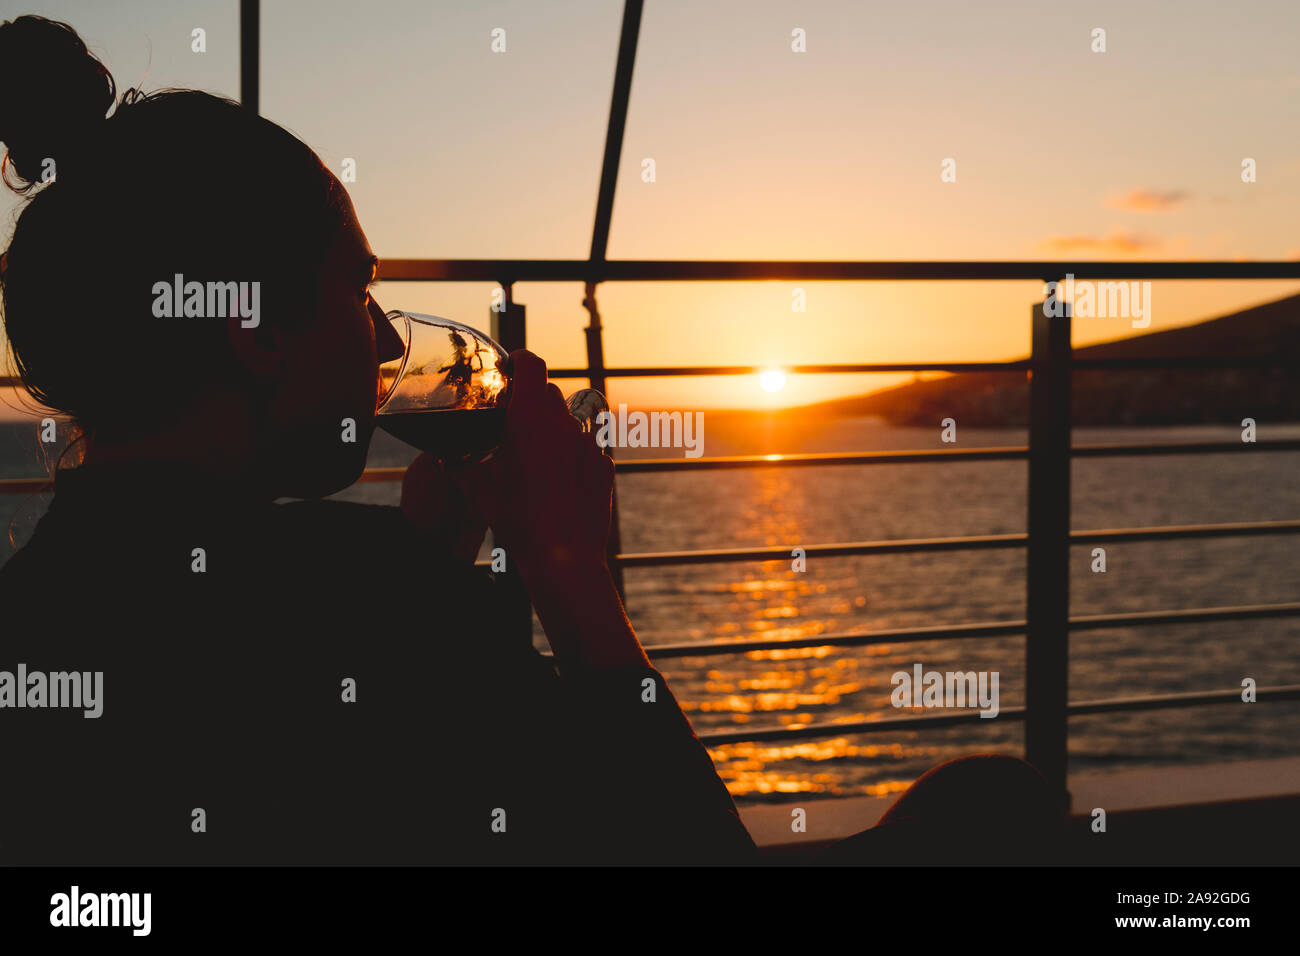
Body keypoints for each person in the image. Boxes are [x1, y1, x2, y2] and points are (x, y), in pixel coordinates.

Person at [0, 14, 756, 865]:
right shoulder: (384, 609)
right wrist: (570, 574)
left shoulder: (28, 620)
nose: (392, 343)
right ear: (257, 332)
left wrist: (430, 559)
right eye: (359, 287)